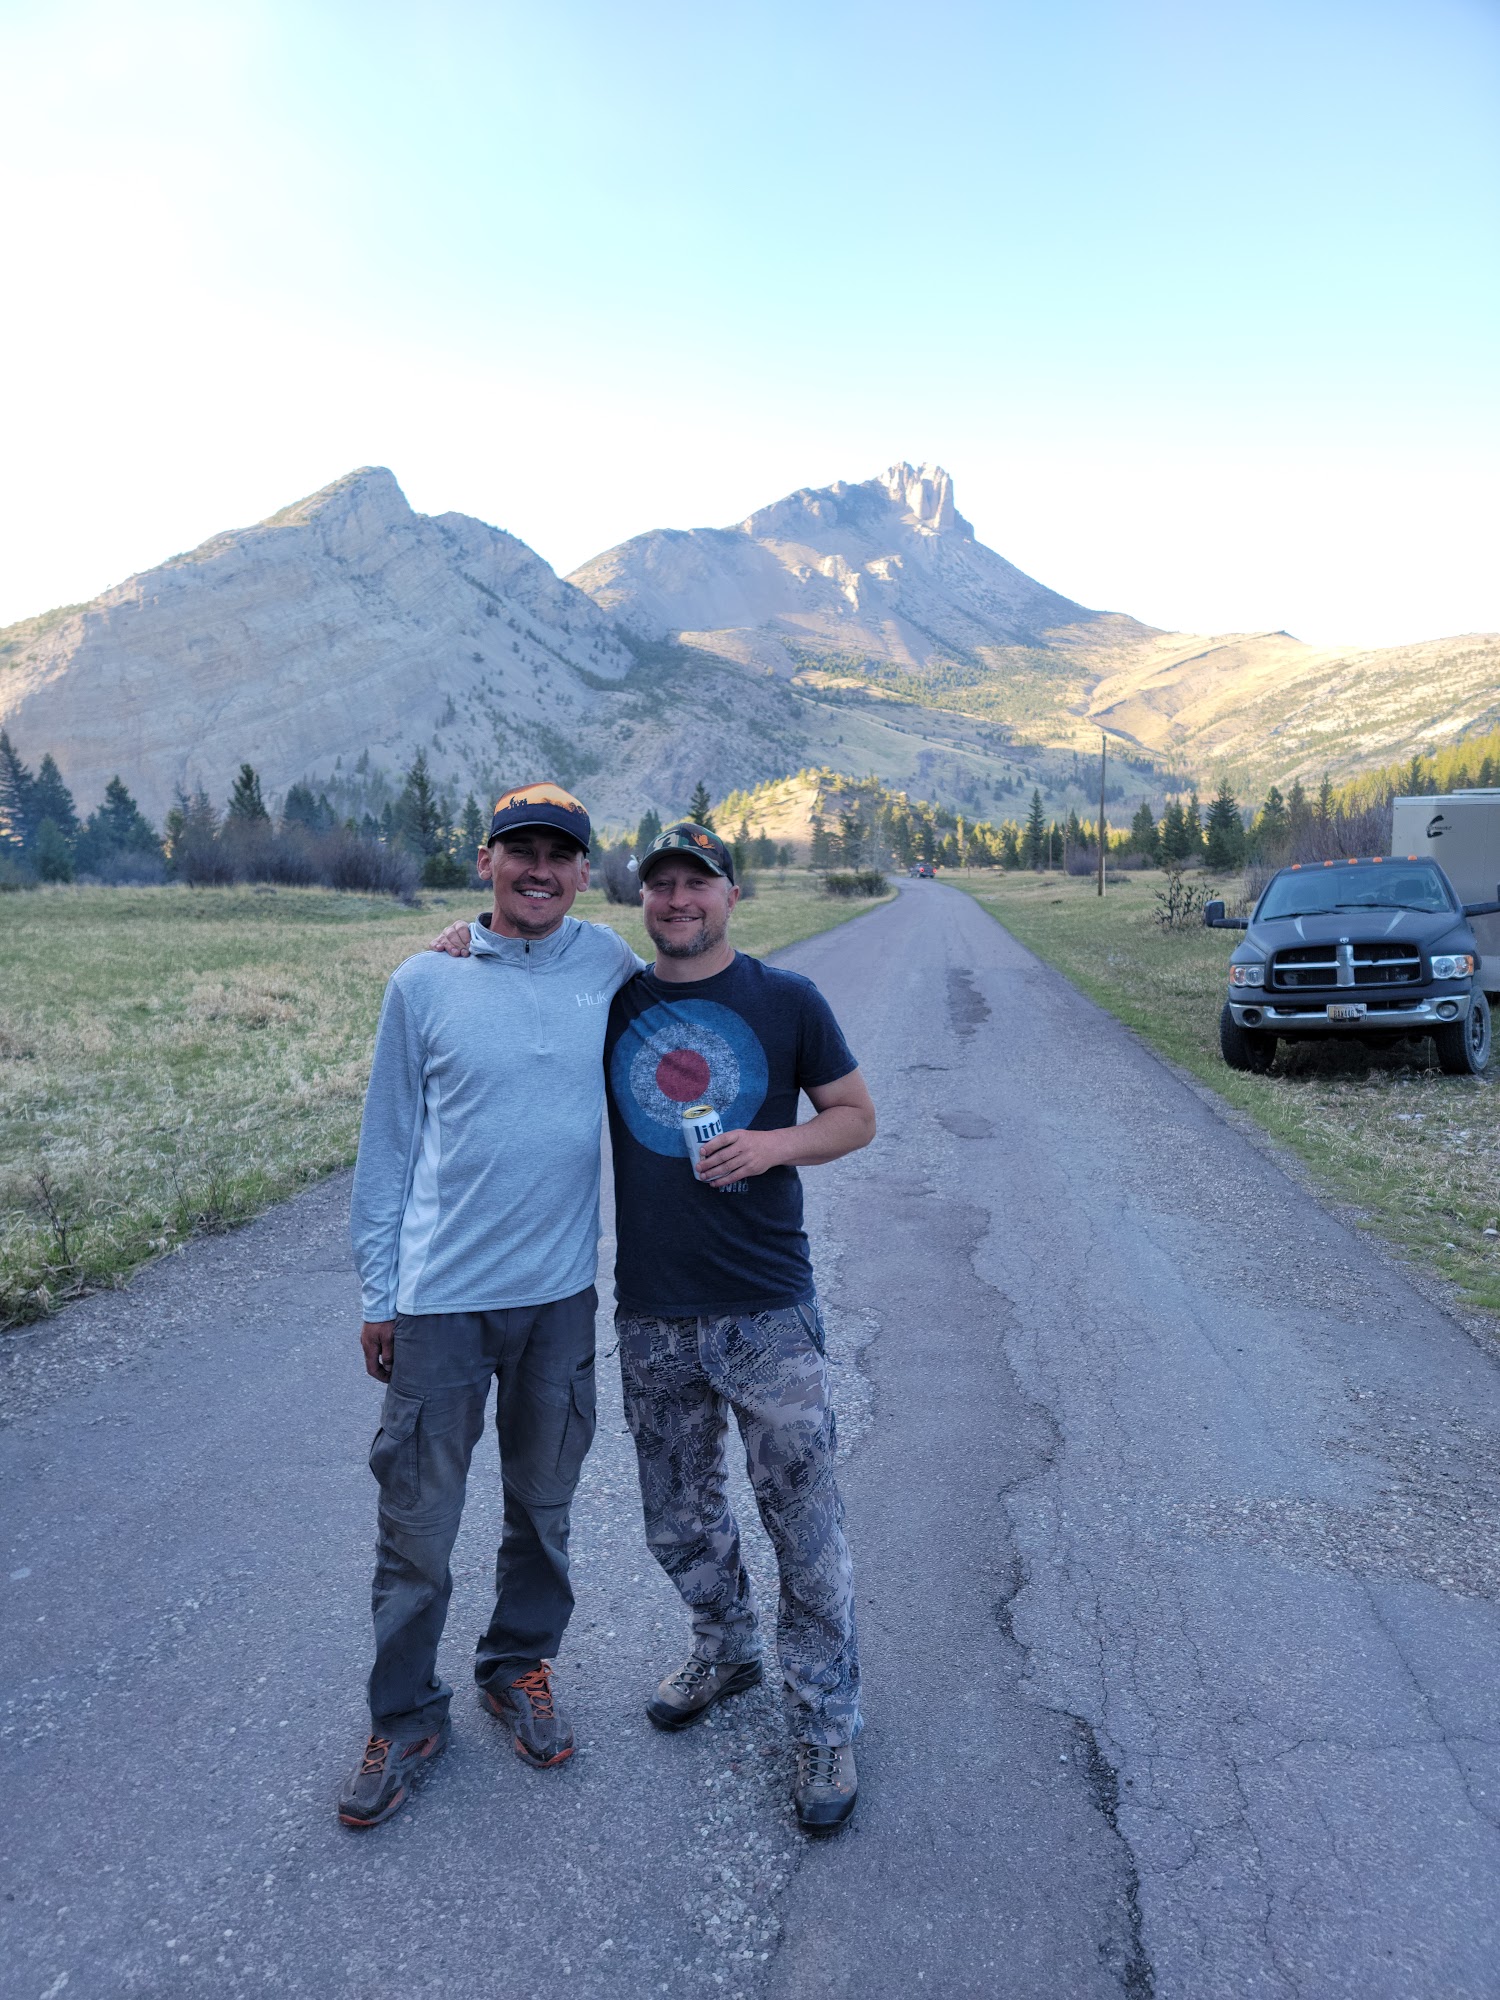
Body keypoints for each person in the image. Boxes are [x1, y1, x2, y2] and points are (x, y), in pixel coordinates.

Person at [338, 781, 644, 1830]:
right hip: (439, 1307)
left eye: (561, 855)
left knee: (544, 1510)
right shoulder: (425, 981)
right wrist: (380, 1293)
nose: (540, 870)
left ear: (584, 872)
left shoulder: (607, 963)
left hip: (559, 1300)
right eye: (522, 851)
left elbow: (689, 1004)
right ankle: (404, 1714)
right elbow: (386, 1149)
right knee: (416, 1529)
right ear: (486, 862)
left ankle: (517, 1667)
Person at [606, 821, 875, 1833]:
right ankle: (726, 1648)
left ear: (732, 894)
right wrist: (465, 939)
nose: (678, 899)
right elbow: (526, 964)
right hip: (654, 1309)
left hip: (766, 1308)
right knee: (678, 1518)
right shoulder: (617, 1002)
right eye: (660, 884)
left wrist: (771, 1145)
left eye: (698, 882)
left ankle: (824, 1719)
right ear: (643, 899)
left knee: (803, 1523)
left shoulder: (787, 999)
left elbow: (855, 1115)